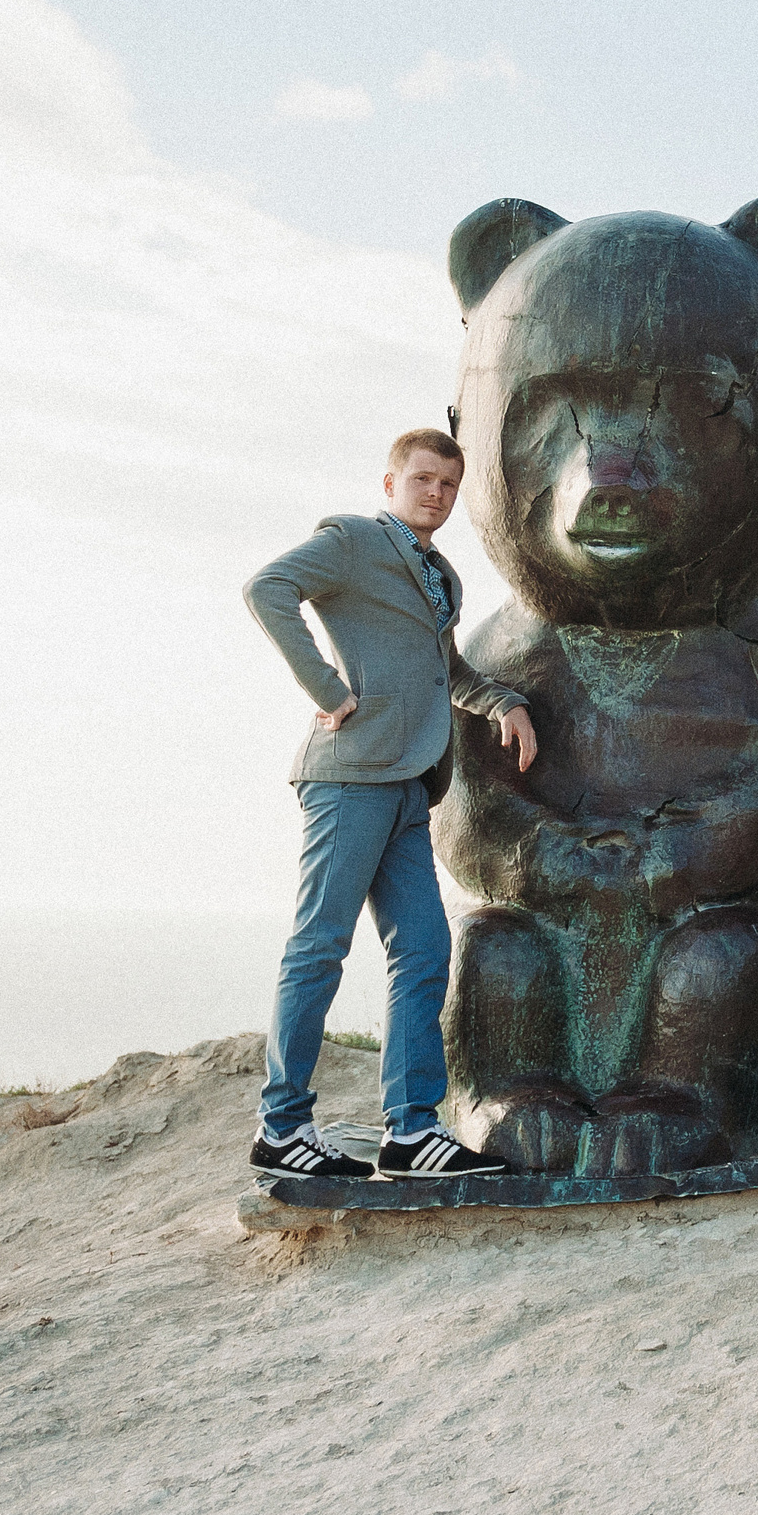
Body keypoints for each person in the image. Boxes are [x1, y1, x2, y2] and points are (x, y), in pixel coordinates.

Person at [240, 428, 539, 1181]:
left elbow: (447, 671)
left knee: (425, 951)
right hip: (350, 778)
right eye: (423, 479)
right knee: (320, 946)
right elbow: (267, 590)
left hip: (412, 787)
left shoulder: (442, 576)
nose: (435, 493)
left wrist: (502, 701)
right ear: (390, 482)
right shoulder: (351, 541)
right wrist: (330, 691)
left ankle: (409, 1130)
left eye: (448, 484)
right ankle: (282, 1126)